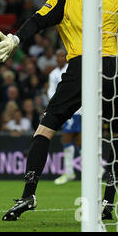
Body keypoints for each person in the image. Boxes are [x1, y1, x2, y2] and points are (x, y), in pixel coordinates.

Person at [0, 0, 118, 221]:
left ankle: (28, 195)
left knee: (45, 130)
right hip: (117, 70)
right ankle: (108, 202)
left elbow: (38, 19)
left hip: (83, 66)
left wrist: (16, 39)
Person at [48, 49, 81, 185]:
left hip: (76, 109)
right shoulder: (53, 73)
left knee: (70, 138)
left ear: (67, 57)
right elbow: (50, 90)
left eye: (62, 56)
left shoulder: (72, 69)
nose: (59, 58)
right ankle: (72, 172)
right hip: (62, 108)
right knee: (76, 140)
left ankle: (70, 172)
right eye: (57, 56)